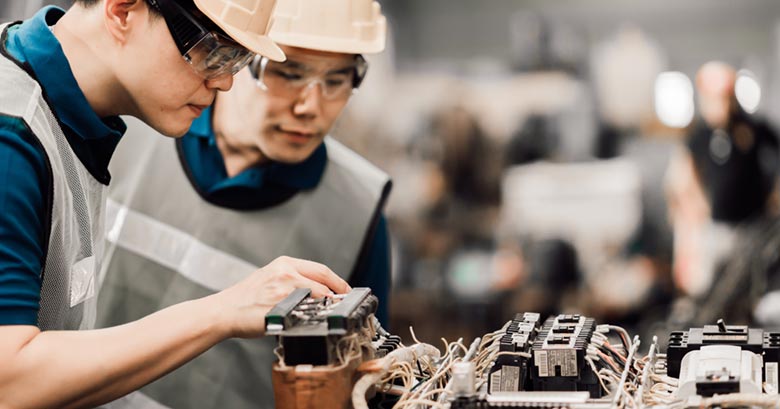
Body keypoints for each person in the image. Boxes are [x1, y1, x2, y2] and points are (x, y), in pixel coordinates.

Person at [0, 1, 351, 407]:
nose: (224, 83)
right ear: (122, 11)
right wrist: (225, 311)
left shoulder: (61, 117)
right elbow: (9, 380)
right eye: (211, 50)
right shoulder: (11, 137)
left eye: (238, 60)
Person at [95, 0, 390, 407]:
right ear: (233, 55)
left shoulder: (359, 212)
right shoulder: (125, 130)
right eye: (288, 73)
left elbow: (360, 387)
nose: (310, 107)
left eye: (337, 81)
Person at [665, 61, 780, 327]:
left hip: (753, 226)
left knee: (747, 290)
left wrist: (775, 195)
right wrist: (695, 202)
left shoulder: (753, 127)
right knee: (712, 292)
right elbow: (685, 170)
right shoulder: (700, 134)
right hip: (715, 228)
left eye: (726, 99)